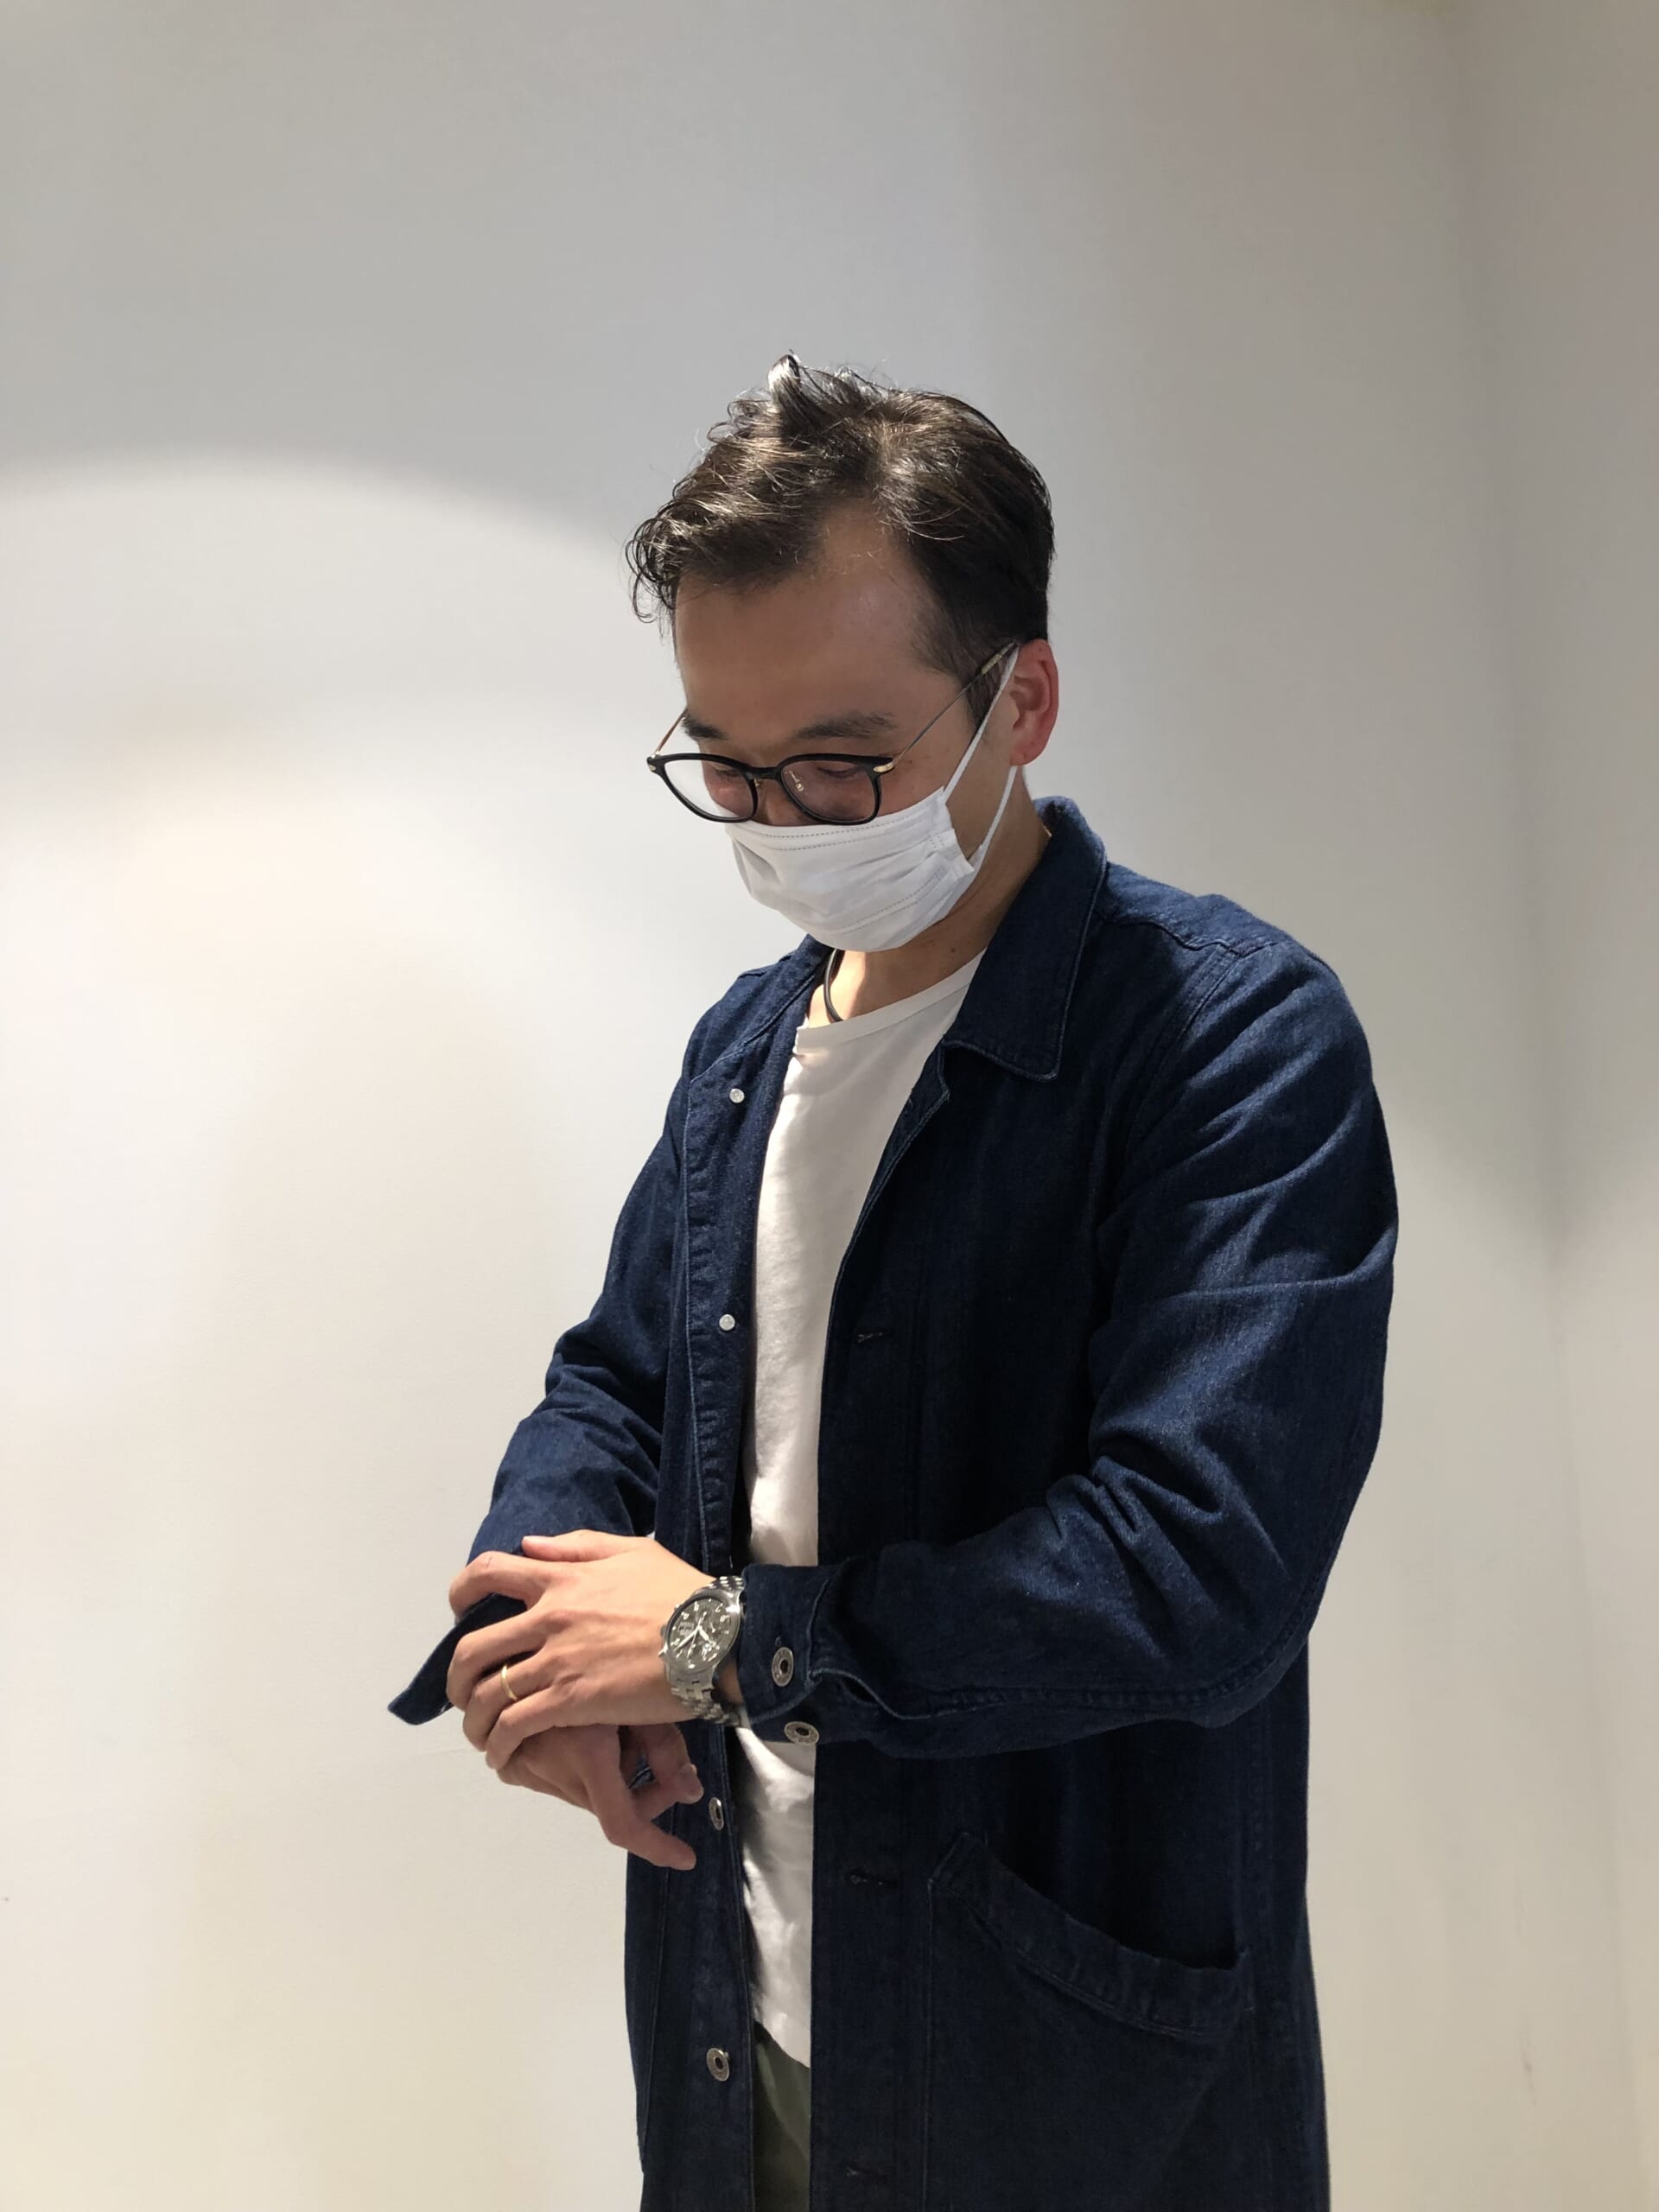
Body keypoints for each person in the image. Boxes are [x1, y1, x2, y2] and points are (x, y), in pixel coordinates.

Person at [387, 353, 1398, 2212]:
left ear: (1026, 698)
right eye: (726, 763)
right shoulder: (745, 1051)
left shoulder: (1228, 1038)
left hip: (1063, 2056)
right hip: (742, 2002)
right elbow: (618, 1380)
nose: (783, 816)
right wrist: (540, 1628)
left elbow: (1198, 1570)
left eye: (843, 761)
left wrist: (717, 1642)